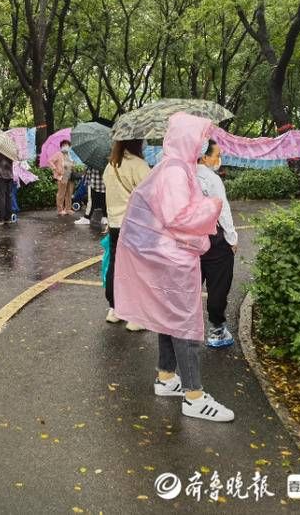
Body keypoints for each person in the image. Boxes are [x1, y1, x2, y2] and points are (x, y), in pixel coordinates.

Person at [113, 113, 235, 422]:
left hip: (166, 255)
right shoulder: (176, 172)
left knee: (170, 319)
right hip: (174, 257)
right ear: (187, 140)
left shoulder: (172, 168)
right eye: (199, 138)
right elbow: (179, 218)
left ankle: (166, 376)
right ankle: (194, 396)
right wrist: (212, 206)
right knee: (184, 322)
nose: (202, 143)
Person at [102, 138, 150, 330]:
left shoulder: (111, 165)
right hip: (134, 224)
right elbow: (151, 193)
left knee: (116, 265)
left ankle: (114, 309)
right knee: (136, 269)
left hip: (115, 223)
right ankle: (135, 317)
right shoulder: (139, 165)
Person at [197, 140, 238, 348]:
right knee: (218, 286)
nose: (218, 159)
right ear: (204, 157)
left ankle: (184, 330)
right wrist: (232, 238)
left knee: (189, 286)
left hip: (188, 241)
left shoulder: (180, 176)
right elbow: (222, 210)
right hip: (214, 240)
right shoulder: (211, 179)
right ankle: (217, 330)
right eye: (216, 155)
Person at [49, 139, 74, 215]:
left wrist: (72, 165)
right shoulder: (58, 154)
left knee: (69, 193)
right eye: (64, 145)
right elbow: (50, 161)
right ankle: (60, 209)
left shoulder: (69, 154)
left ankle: (68, 209)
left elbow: (71, 164)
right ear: (61, 146)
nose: (65, 147)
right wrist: (55, 169)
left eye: (67, 145)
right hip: (62, 176)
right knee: (61, 193)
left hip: (69, 175)